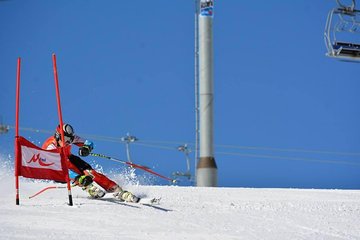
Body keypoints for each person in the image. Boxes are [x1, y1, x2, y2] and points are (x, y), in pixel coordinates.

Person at [42, 123, 139, 203]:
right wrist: (77, 177)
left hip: (69, 158)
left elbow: (88, 142)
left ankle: (116, 190)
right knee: (80, 177)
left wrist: (86, 148)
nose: (68, 142)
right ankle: (89, 187)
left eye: (70, 140)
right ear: (58, 136)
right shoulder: (50, 147)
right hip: (56, 168)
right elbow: (57, 167)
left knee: (90, 172)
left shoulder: (70, 138)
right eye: (66, 140)